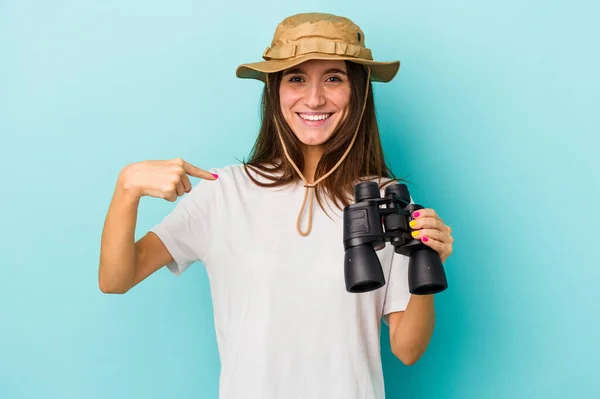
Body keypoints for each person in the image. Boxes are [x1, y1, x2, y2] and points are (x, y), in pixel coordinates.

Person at [98, 12, 454, 399]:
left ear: (359, 90)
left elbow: (407, 350)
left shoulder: (387, 201)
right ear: (274, 90)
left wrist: (427, 265)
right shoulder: (225, 192)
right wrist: (126, 189)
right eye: (296, 77)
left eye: (333, 78)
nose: (314, 98)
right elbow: (116, 280)